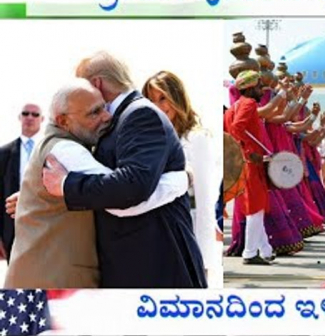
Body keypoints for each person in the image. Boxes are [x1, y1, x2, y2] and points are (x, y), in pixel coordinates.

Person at [42, 51, 208, 287]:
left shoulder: (140, 114)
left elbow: (131, 187)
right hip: (138, 261)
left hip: (155, 263)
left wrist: (67, 185)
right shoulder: (121, 117)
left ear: (96, 84)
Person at [5, 81, 189, 288]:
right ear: (63, 121)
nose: (107, 117)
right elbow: (124, 197)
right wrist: (179, 181)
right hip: (55, 283)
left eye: (104, 107)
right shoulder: (67, 151)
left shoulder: (63, 143)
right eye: (94, 113)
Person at [142, 70, 224, 288]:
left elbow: (205, 200)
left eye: (163, 98)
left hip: (190, 228)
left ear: (176, 97)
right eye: (151, 100)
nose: (158, 106)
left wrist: (203, 259)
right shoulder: (150, 138)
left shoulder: (196, 138)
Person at [225, 70, 274, 265]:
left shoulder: (232, 108)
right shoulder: (249, 103)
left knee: (256, 208)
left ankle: (266, 250)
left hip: (243, 164)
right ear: (251, 87)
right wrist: (251, 151)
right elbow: (238, 128)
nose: (262, 90)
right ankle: (249, 252)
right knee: (255, 209)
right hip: (251, 164)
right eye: (260, 86)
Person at [0, 103, 43, 262]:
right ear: (20, 117)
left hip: (44, 225)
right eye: (26, 114)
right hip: (12, 229)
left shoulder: (51, 150)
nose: (30, 118)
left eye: (35, 114)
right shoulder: (3, 153)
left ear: (42, 119)